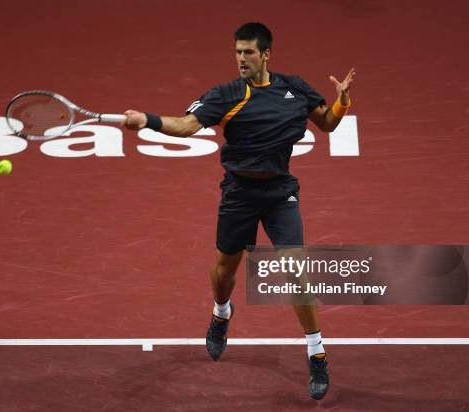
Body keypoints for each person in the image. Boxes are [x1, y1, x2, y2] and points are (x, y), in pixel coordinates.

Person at [121, 22, 355, 401]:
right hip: (239, 194)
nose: (241, 59)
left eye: (248, 52)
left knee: (296, 271)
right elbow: (186, 126)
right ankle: (221, 312)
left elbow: (327, 123)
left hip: (280, 193)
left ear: (266, 55)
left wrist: (342, 99)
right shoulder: (227, 95)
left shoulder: (295, 89)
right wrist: (147, 120)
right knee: (224, 271)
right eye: (237, 53)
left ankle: (316, 352)